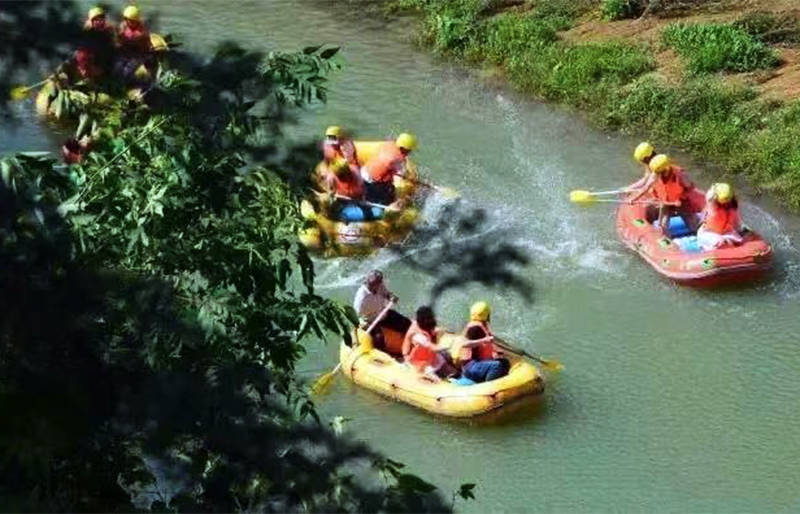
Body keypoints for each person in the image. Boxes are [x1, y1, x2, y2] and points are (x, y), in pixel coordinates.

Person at [630, 154, 697, 237]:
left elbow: (690, 187)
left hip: (681, 202)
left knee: (692, 224)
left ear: (665, 169)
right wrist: (635, 198)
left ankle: (696, 234)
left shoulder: (680, 175)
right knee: (663, 225)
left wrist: (682, 197)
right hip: (666, 203)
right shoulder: (656, 174)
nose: (656, 175)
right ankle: (666, 241)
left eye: (658, 173)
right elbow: (646, 187)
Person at [353, 271, 410, 353]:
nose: (381, 284)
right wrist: (355, 339)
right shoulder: (361, 300)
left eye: (380, 282)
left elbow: (386, 294)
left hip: (383, 313)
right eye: (379, 283)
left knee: (406, 323)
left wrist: (391, 297)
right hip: (371, 321)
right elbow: (354, 319)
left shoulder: (379, 286)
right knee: (379, 338)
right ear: (371, 284)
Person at [455, 302, 509, 383]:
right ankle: (487, 387)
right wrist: (483, 340)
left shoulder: (481, 325)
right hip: (470, 367)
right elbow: (464, 344)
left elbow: (491, 341)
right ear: (486, 314)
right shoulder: (474, 328)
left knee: (505, 362)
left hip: (477, 363)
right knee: (496, 366)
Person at [361, 132, 417, 205]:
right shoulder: (397, 159)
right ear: (405, 149)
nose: (410, 152)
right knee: (389, 197)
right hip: (372, 182)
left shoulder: (389, 144)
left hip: (363, 172)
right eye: (409, 150)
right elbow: (400, 174)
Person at [402, 306, 457, 379]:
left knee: (452, 370)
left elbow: (432, 333)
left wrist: (442, 331)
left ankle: (452, 373)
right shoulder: (417, 335)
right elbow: (433, 347)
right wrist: (449, 345)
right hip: (417, 361)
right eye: (429, 318)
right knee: (437, 374)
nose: (432, 319)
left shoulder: (419, 324)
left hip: (428, 355)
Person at [697, 183, 743, 249]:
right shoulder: (712, 207)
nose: (726, 203)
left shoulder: (732, 208)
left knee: (733, 241)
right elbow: (709, 201)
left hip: (727, 233)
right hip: (708, 234)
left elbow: (736, 224)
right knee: (722, 242)